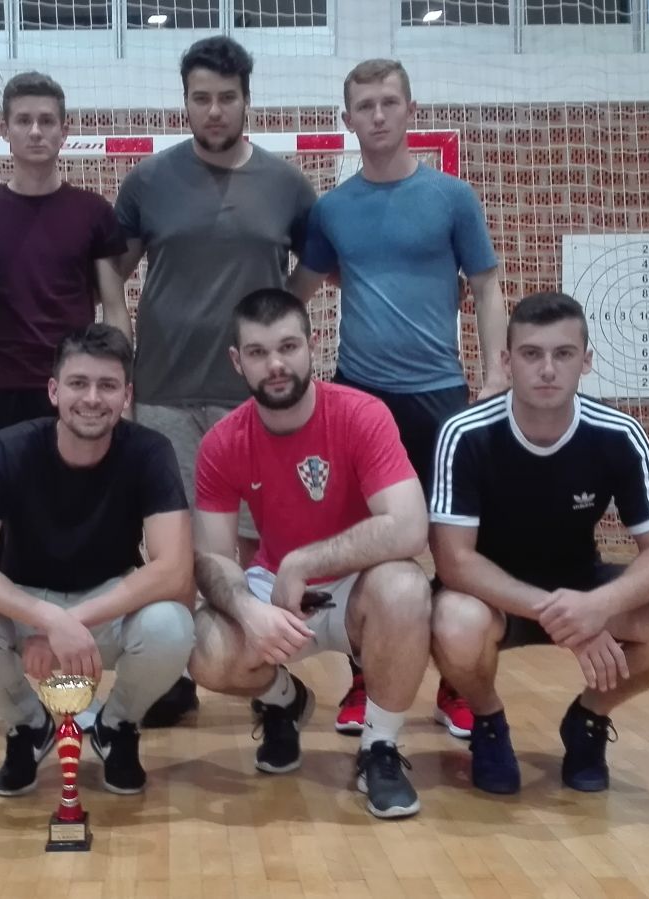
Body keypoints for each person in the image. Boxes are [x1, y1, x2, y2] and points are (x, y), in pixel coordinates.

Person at [289, 58, 510, 741]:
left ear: (411, 109)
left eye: (389, 102)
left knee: (453, 546)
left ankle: (458, 683)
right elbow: (298, 291)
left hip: (440, 397)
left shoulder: (452, 198)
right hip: (359, 399)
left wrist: (495, 377)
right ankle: (366, 679)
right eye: (365, 105)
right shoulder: (332, 209)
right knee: (368, 547)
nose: (378, 115)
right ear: (347, 118)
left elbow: (488, 285)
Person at [428, 291, 649, 795]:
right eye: (531, 354)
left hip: (583, 587)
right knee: (454, 621)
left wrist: (598, 606)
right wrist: (564, 616)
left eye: (563, 354)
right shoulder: (464, 433)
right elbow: (454, 561)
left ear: (586, 361)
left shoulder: (619, 434)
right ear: (506, 361)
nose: (547, 369)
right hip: (495, 598)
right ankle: (488, 723)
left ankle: (588, 718)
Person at [115, 36, 318, 726]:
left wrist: (271, 323)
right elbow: (111, 270)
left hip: (254, 403)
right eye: (200, 98)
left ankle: (268, 674)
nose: (214, 110)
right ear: (185, 102)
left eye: (226, 98)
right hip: (164, 392)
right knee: (174, 548)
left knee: (260, 546)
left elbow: (312, 269)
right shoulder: (148, 182)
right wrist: (119, 346)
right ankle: (175, 673)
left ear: (246, 101)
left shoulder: (286, 184)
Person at [187, 288, 432, 820]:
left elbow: (411, 528)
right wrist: (248, 611)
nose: (275, 364)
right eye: (257, 352)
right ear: (238, 361)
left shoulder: (362, 414)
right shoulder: (223, 442)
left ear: (312, 345)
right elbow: (210, 557)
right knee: (202, 645)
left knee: (407, 587)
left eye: (288, 347)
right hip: (273, 590)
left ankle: (380, 748)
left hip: (357, 589)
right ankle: (284, 702)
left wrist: (303, 562)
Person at [0, 71, 131, 743]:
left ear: (65, 129)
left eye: (48, 119)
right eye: (23, 119)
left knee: (85, 530)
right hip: (1, 391)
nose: (36, 131)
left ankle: (89, 686)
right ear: (4, 128)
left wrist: (121, 388)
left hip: (77, 399)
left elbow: (114, 309)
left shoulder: (92, 211)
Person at [0, 324, 196, 796]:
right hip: (25, 604)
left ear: (126, 396)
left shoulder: (149, 451)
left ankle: (116, 726)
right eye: (79, 383)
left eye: (108, 385)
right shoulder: (7, 449)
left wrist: (68, 622)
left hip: (105, 606)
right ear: (54, 391)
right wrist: (45, 619)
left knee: (173, 624)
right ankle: (28, 724)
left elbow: (176, 571)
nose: (92, 398)